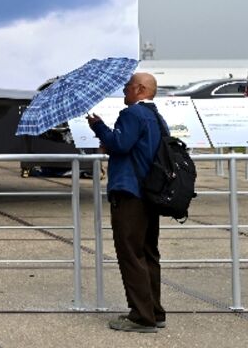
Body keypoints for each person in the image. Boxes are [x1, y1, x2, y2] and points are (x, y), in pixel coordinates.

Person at [87, 72, 167, 333]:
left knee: (130, 253)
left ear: (140, 89)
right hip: (150, 193)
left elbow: (120, 144)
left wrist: (98, 126)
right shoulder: (156, 116)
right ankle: (154, 311)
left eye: (127, 87)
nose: (124, 91)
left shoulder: (132, 114)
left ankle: (141, 316)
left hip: (130, 192)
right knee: (148, 252)